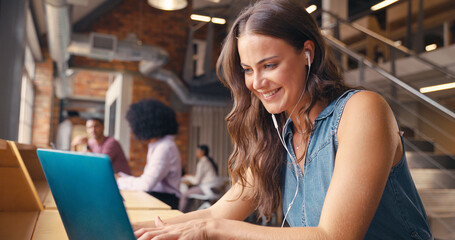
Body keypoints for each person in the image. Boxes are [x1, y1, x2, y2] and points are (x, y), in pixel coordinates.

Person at [133, 0, 432, 239]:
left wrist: (215, 231)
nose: (257, 82)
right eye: (248, 70)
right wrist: (130, 230)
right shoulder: (278, 136)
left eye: (270, 65)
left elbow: (333, 236)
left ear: (307, 54)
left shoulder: (362, 110)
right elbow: (215, 214)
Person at [116, 99, 182, 210]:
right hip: (157, 198)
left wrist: (119, 180)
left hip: (164, 201)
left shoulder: (164, 147)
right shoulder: (158, 145)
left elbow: (146, 185)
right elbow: (147, 181)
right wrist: (123, 178)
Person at [179, 145, 218, 213]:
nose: (196, 152)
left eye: (197, 151)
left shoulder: (202, 162)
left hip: (207, 188)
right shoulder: (208, 161)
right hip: (212, 188)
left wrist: (187, 176)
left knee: (185, 195)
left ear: (202, 152)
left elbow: (196, 181)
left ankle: (180, 214)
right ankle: (186, 213)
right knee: (189, 194)